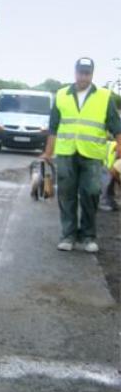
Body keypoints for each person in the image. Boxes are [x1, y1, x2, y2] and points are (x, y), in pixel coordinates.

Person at [40, 58, 121, 252]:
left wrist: (120, 148)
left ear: (92, 74)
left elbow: (116, 127)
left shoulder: (104, 96)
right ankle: (68, 235)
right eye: (80, 72)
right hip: (66, 152)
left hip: (92, 154)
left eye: (87, 73)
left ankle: (88, 236)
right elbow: (53, 128)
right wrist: (47, 153)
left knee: (91, 193)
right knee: (67, 194)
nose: (83, 76)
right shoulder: (61, 95)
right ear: (75, 72)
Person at [99, 140, 119, 211]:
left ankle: (110, 201)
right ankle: (102, 203)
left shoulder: (113, 144)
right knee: (106, 184)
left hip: (108, 164)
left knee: (110, 184)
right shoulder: (114, 146)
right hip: (106, 165)